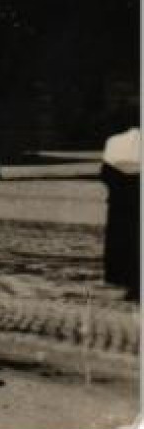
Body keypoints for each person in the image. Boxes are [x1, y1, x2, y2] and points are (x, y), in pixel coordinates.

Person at [100, 127, 140, 301]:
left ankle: (132, 283)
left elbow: (104, 175)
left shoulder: (116, 144)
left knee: (125, 246)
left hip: (121, 205)